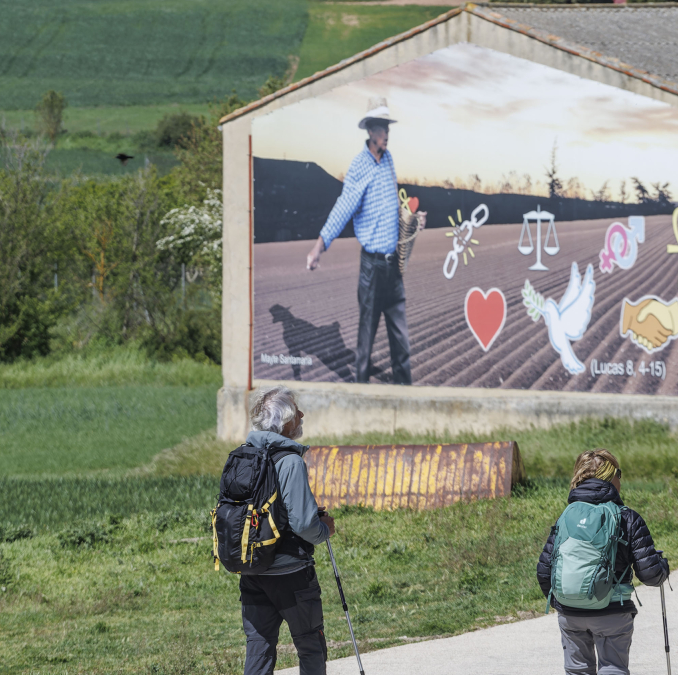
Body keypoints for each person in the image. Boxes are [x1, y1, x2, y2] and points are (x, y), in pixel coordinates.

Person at [305, 97, 425, 385]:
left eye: (388, 128)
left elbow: (391, 205)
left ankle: (405, 397)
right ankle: (360, 397)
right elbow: (343, 207)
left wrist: (411, 217)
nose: (387, 133)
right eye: (383, 128)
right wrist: (318, 246)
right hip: (372, 270)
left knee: (402, 343)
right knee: (365, 344)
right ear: (371, 131)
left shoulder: (389, 161)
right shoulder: (359, 166)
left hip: (393, 267)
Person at [537, 449, 669, 675]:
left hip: (570, 614)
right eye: (619, 473)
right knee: (613, 669)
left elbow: (544, 570)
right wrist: (662, 567)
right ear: (611, 477)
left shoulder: (566, 515)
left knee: (577, 672)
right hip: (612, 611)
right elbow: (650, 575)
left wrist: (566, 602)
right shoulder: (627, 517)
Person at [239, 386, 337, 675]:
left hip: (252, 571)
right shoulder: (290, 461)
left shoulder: (243, 456)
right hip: (291, 574)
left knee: (259, 647)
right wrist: (325, 530)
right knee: (310, 645)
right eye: (296, 412)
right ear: (284, 422)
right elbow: (305, 525)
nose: (302, 415)